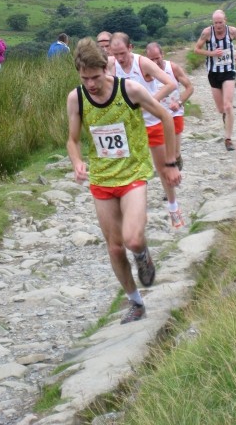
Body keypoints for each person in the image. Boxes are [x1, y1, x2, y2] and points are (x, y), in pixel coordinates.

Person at [66, 38, 181, 324]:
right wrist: (77, 162)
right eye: (84, 78)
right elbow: (72, 139)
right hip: (102, 180)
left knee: (132, 239)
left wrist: (170, 162)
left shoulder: (129, 90)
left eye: (95, 77)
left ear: (106, 68)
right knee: (115, 247)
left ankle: (142, 253)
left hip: (133, 174)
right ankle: (135, 302)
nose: (90, 84)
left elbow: (166, 117)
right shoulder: (76, 98)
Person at [109, 32, 184, 228]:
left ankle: (174, 207)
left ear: (131, 47)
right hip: (129, 126)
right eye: (115, 54)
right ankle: (130, 213)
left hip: (152, 123)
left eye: (123, 53)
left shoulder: (142, 64)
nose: (119, 58)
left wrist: (150, 102)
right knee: (129, 169)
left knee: (162, 169)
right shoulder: (111, 65)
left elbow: (171, 83)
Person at [194, 10, 236, 151]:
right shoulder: (207, 33)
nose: (218, 25)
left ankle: (228, 139)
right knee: (221, 108)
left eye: (220, 22)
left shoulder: (232, 31)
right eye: (215, 23)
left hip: (229, 71)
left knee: (228, 105)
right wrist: (211, 53)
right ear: (213, 22)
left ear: (225, 21)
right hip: (213, 73)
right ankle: (226, 117)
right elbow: (196, 49)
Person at [145, 42, 194, 173]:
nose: (155, 62)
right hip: (156, 117)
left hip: (174, 114)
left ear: (162, 54)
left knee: (175, 153)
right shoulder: (145, 71)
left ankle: (177, 163)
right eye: (151, 59)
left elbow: (190, 88)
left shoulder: (173, 68)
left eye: (157, 58)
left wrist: (178, 102)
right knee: (164, 154)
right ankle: (170, 182)